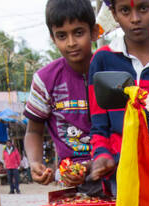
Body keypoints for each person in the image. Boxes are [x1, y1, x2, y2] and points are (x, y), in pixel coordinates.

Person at [87, 0, 149, 193]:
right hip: (118, 174)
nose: (135, 19)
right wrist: (102, 154)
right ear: (114, 15)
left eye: (143, 8)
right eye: (125, 10)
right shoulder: (102, 60)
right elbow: (98, 124)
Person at [25, 0, 98, 194]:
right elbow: (33, 131)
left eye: (79, 32)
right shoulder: (45, 80)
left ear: (94, 32)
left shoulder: (110, 70)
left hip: (114, 175)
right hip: (71, 184)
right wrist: (35, 163)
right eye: (62, 36)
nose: (71, 43)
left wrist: (92, 165)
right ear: (53, 37)